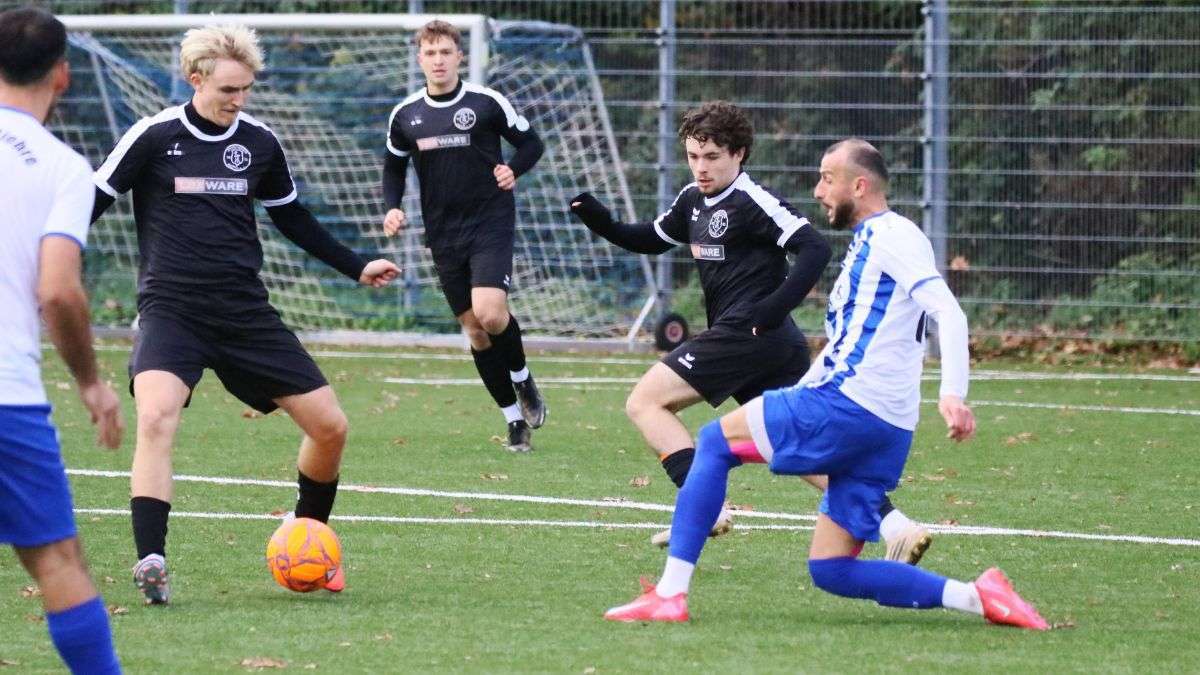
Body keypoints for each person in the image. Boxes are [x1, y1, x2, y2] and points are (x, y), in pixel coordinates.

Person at [603, 138, 1048, 630]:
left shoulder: (890, 236)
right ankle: (979, 596)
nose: (818, 191)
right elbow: (848, 344)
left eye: (827, 179)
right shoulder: (877, 243)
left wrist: (953, 394)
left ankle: (670, 595)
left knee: (713, 442)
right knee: (831, 568)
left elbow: (949, 310)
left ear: (859, 186)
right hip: (888, 429)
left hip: (848, 407)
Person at [91, 23, 400, 605]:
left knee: (330, 428)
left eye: (246, 89)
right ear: (196, 78)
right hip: (171, 311)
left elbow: (293, 218)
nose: (239, 100)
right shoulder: (153, 136)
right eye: (228, 89)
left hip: (244, 314)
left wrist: (355, 265)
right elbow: (91, 201)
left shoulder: (258, 142)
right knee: (157, 418)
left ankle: (309, 536)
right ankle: (151, 562)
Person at [569, 102, 931, 562]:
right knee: (800, 450)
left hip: (749, 334)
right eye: (694, 156)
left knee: (645, 401)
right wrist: (596, 217)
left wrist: (771, 308)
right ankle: (896, 526)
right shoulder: (692, 201)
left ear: (738, 154)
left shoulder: (752, 200)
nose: (701, 168)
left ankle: (704, 507)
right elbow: (649, 239)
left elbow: (814, 248)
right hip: (768, 344)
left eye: (713, 157)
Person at [0, 7, 124, 672]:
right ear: (62, 74)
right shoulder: (60, 166)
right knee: (56, 559)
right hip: (6, 397)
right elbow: (58, 291)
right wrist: (91, 383)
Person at [382, 20, 547, 452]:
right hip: (443, 231)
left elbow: (532, 144)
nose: (438, 60)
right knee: (475, 331)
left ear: (459, 56)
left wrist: (515, 169)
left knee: (490, 313)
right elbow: (393, 166)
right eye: (430, 53)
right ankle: (513, 421)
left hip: (490, 221)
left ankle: (522, 378)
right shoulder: (406, 116)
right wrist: (393, 206)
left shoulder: (487, 102)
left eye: (445, 52)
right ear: (420, 59)